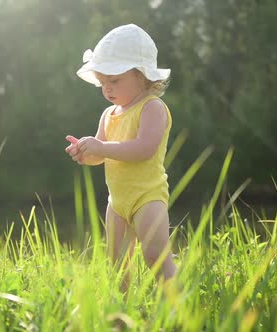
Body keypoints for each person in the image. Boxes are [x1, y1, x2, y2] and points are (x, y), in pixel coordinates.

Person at [65, 24, 177, 292]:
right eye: (103, 82)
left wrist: (101, 148)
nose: (107, 88)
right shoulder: (109, 114)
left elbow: (143, 149)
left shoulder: (152, 108)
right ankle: (122, 315)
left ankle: (180, 308)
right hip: (117, 202)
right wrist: (86, 152)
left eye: (114, 81)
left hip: (147, 197)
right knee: (117, 266)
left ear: (142, 75)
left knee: (156, 258)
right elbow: (102, 154)